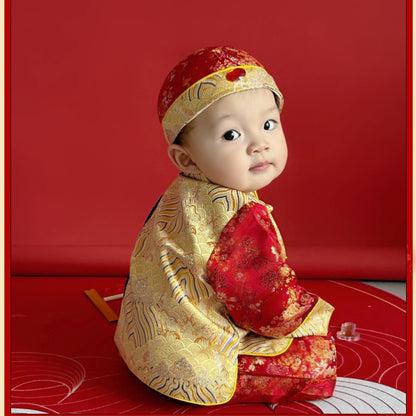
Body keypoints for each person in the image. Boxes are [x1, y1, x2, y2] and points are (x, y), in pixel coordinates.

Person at [114, 46, 336, 406]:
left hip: (144, 339)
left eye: (268, 124)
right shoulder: (238, 214)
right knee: (318, 360)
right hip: (189, 364)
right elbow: (268, 308)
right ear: (186, 157)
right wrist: (308, 313)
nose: (259, 145)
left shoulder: (185, 191)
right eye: (231, 135)